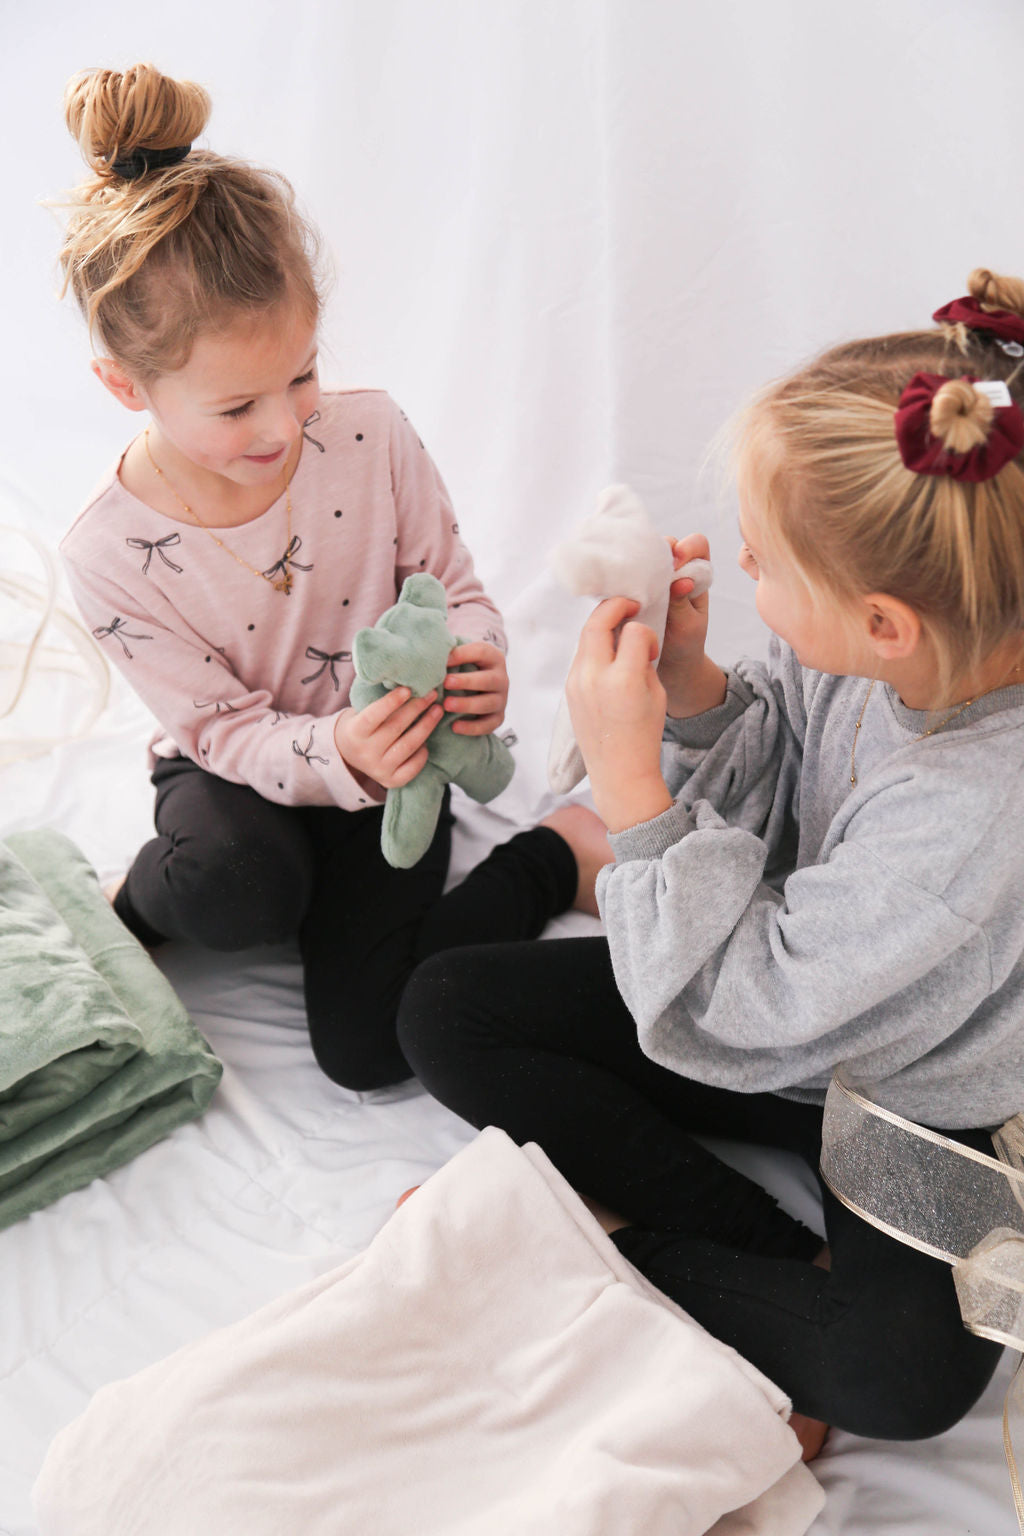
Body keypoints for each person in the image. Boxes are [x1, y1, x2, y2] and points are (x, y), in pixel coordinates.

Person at [397, 268, 1024, 1451]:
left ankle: (608, 1250)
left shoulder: (975, 815)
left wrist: (631, 791)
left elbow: (750, 1002)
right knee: (447, 1008)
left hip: (923, 1098)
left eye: (768, 565)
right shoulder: (908, 651)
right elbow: (787, 734)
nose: (743, 569)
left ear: (885, 620)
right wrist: (689, 693)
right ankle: (773, 1259)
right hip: (806, 1029)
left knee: (899, 1383)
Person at [57, 62, 605, 1092]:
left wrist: (477, 657)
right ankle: (131, 907)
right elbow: (217, 727)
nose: (284, 426)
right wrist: (329, 748)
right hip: (236, 767)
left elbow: (454, 585)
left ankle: (552, 854)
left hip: (394, 761)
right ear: (124, 385)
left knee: (366, 1053)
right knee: (232, 887)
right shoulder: (106, 546)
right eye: (233, 408)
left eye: (303, 373)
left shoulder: (372, 433)